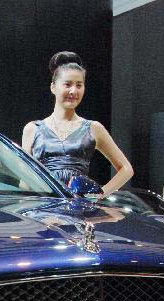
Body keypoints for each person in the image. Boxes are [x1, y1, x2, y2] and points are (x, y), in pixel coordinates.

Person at [22, 51, 133, 196]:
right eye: (67, 84)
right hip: (44, 208)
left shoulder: (93, 128)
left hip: (79, 209)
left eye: (79, 85)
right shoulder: (33, 129)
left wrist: (100, 194)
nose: (73, 91)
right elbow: (24, 181)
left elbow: (126, 169)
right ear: (53, 87)